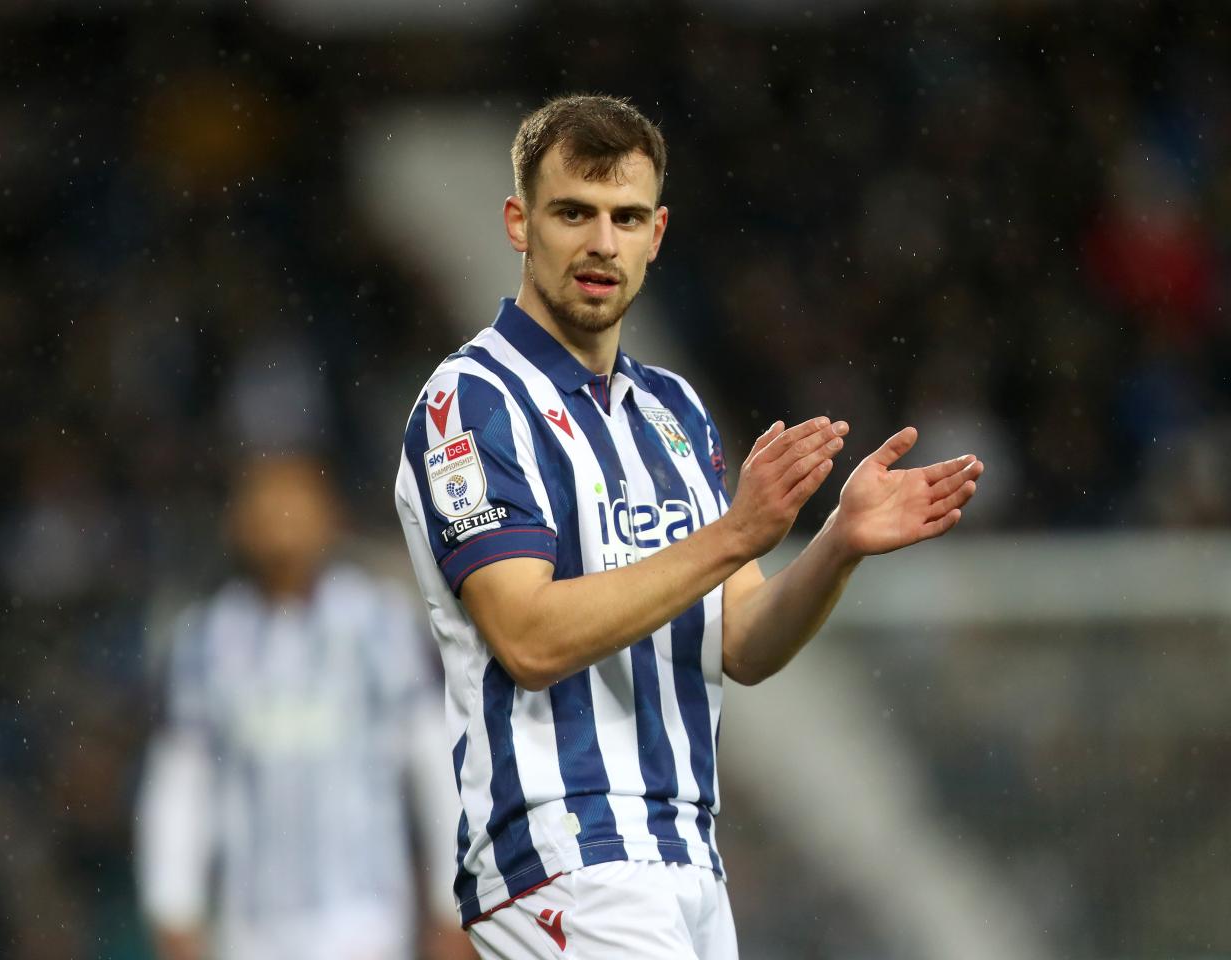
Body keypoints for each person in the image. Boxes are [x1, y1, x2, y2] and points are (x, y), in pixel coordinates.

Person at [393, 94, 984, 959]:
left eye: (626, 217)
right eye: (574, 213)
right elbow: (527, 638)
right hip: (565, 854)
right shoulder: (472, 402)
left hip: (689, 860)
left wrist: (836, 546)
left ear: (657, 233)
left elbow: (739, 639)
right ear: (520, 223)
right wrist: (733, 535)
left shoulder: (673, 410)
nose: (602, 243)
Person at [136, 455, 475, 960]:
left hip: (367, 917)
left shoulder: (381, 624)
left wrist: (455, 903)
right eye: (264, 500)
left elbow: (436, 767)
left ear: (331, 516)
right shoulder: (205, 640)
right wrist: (173, 907)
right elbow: (182, 784)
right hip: (250, 926)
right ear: (236, 522)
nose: (280, 515)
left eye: (295, 498)